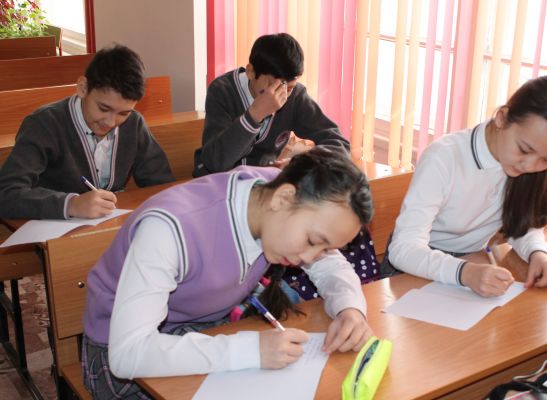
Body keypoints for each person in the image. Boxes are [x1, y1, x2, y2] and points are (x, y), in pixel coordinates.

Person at [82, 147, 374, 399]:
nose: (310, 257)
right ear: (283, 199)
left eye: (325, 247)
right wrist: (248, 351)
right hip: (121, 350)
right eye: (312, 241)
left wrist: (349, 308)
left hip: (207, 330)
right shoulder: (169, 228)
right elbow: (129, 354)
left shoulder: (276, 197)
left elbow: (330, 264)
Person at [383, 76, 547, 297]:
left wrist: (539, 255)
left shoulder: (522, 165)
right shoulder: (445, 157)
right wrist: (464, 272)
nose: (530, 166)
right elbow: (404, 249)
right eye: (525, 150)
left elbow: (522, 226)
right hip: (416, 268)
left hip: (471, 265)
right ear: (502, 118)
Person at [0, 44, 174, 220]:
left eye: (123, 113)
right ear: (83, 88)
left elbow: (162, 185)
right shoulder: (44, 124)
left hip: (107, 225)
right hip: (53, 229)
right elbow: (6, 193)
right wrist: (71, 204)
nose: (111, 122)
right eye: (103, 108)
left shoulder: (133, 124)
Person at [192, 32, 349, 177]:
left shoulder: (295, 96)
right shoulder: (222, 90)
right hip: (218, 181)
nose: (281, 94)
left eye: (289, 87)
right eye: (273, 85)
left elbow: (338, 143)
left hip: (263, 183)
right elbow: (215, 163)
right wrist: (255, 115)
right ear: (251, 72)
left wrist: (299, 164)